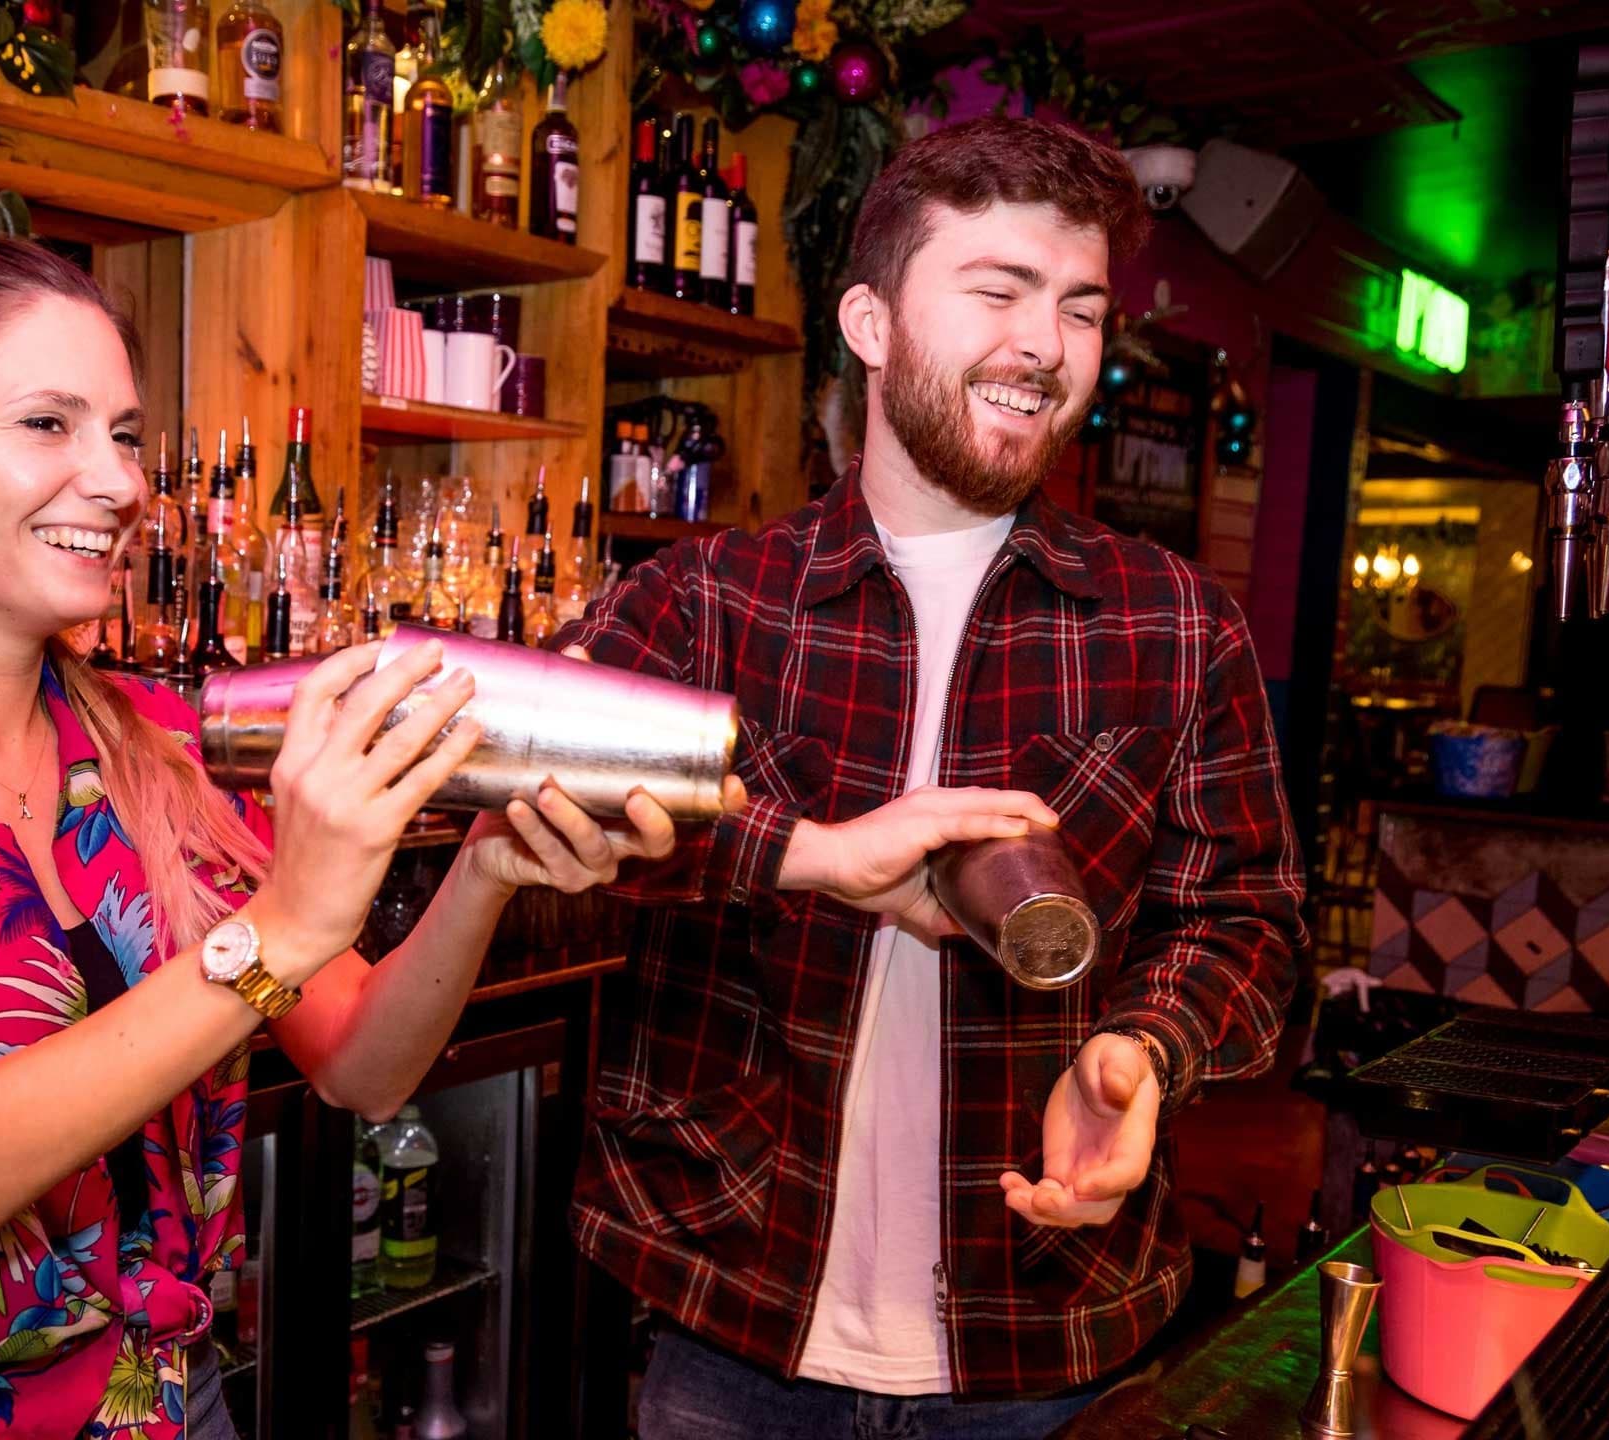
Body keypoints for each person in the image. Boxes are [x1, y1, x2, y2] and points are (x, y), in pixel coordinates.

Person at [0, 232, 674, 1440]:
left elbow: (361, 1061)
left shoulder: (148, 741)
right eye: (48, 425)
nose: (122, 483)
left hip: (175, 1407)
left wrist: (486, 874)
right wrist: (284, 924)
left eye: (124, 435)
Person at [556, 117, 1306, 1438]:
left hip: (1044, 1330)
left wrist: (1141, 1047)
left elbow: (1244, 920)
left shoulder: (1177, 624)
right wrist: (798, 852)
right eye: (997, 292)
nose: (1044, 346)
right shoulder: (713, 601)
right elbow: (522, 787)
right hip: (733, 1318)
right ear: (870, 321)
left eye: (1079, 309)